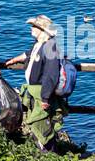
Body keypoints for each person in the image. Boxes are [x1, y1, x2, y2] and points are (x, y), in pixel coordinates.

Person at [4, 15, 67, 150]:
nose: (31, 29)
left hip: (41, 94)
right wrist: (15, 59)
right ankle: (45, 156)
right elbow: (29, 54)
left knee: (43, 126)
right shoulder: (39, 44)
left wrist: (45, 98)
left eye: (34, 26)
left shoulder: (51, 47)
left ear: (42, 29)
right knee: (38, 126)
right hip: (35, 92)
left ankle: (50, 157)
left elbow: (51, 75)